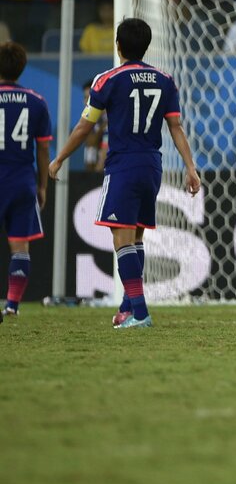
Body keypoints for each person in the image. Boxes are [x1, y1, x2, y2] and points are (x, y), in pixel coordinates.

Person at [47, 18, 201, 329]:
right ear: (146, 46)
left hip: (123, 164)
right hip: (152, 165)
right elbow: (176, 127)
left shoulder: (107, 80)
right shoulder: (165, 79)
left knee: (121, 238)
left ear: (118, 45)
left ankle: (141, 312)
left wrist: (60, 158)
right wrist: (190, 167)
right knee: (136, 236)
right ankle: (127, 308)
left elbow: (84, 126)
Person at [0, 42, 52, 321]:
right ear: (22, 68)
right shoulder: (37, 101)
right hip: (22, 181)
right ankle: (12, 306)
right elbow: (43, 149)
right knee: (20, 247)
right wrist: (42, 186)